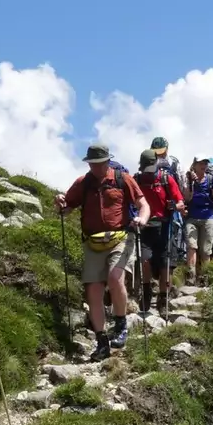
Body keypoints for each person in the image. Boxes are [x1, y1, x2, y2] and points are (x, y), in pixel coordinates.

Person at [54, 144, 150, 360]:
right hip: (92, 243)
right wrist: (60, 203)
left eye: (100, 163)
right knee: (93, 292)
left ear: (108, 161)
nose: (96, 168)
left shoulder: (122, 179)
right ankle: (101, 340)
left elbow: (143, 204)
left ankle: (121, 326)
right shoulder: (83, 183)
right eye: (92, 164)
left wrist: (141, 219)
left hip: (121, 238)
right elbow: (67, 208)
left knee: (115, 278)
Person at [133, 149, 185, 312]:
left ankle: (163, 298)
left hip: (165, 226)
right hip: (145, 226)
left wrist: (174, 206)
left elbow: (181, 203)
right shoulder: (137, 179)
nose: (147, 172)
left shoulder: (165, 179)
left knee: (165, 264)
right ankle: (146, 292)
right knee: (144, 260)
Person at [182, 155, 213, 285]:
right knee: (191, 246)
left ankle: (204, 276)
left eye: (205, 162)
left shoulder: (211, 179)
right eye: (201, 163)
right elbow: (186, 198)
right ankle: (191, 275)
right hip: (191, 217)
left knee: (206, 249)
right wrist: (191, 183)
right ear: (194, 165)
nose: (204, 165)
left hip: (208, 217)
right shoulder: (187, 179)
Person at [151, 136, 188, 262]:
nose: (160, 154)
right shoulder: (149, 162)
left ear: (167, 149)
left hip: (173, 203)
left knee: (175, 229)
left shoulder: (174, 163)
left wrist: (181, 201)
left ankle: (174, 260)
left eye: (162, 151)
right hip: (155, 203)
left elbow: (182, 182)